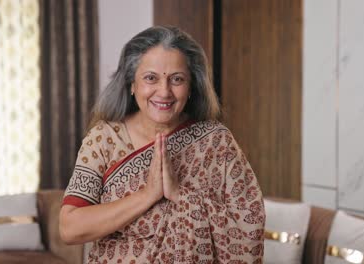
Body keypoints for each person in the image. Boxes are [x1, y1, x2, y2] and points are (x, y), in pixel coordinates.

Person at [59, 26, 265, 263]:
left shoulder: (217, 142)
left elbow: (249, 231)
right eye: (150, 78)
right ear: (132, 84)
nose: (164, 92)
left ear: (191, 87)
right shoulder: (104, 139)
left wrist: (180, 195)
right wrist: (147, 195)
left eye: (177, 79)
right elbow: (70, 228)